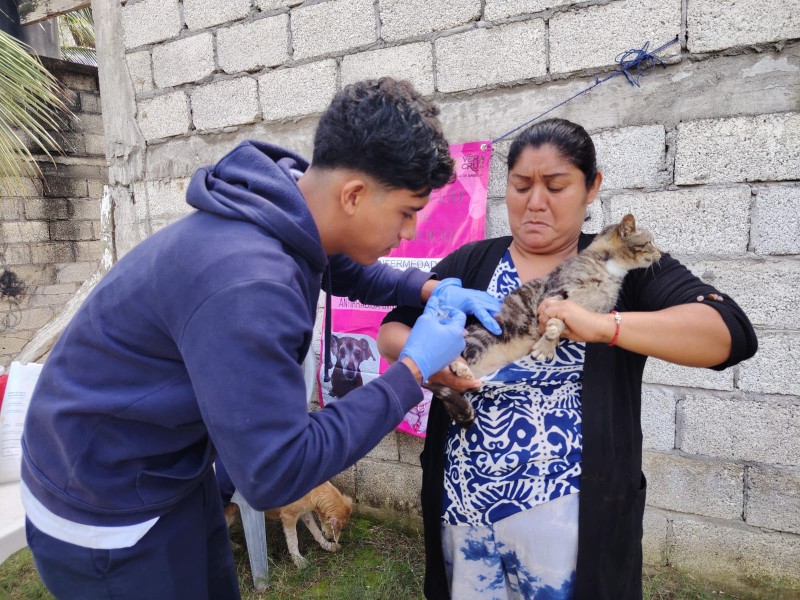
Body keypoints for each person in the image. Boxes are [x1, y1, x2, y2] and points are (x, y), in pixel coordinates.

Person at [19, 78, 503, 599]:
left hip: (165, 470)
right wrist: (410, 373)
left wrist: (428, 288)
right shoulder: (250, 285)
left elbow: (342, 265)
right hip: (106, 512)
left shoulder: (287, 206)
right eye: (407, 212)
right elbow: (276, 473)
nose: (409, 232)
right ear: (355, 195)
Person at [378, 118, 757, 600]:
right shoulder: (470, 264)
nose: (535, 202)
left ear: (591, 187)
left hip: (575, 518)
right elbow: (392, 329)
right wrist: (426, 362)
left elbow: (728, 332)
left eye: (556, 186)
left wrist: (605, 326)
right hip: (466, 508)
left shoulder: (624, 269)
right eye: (521, 186)